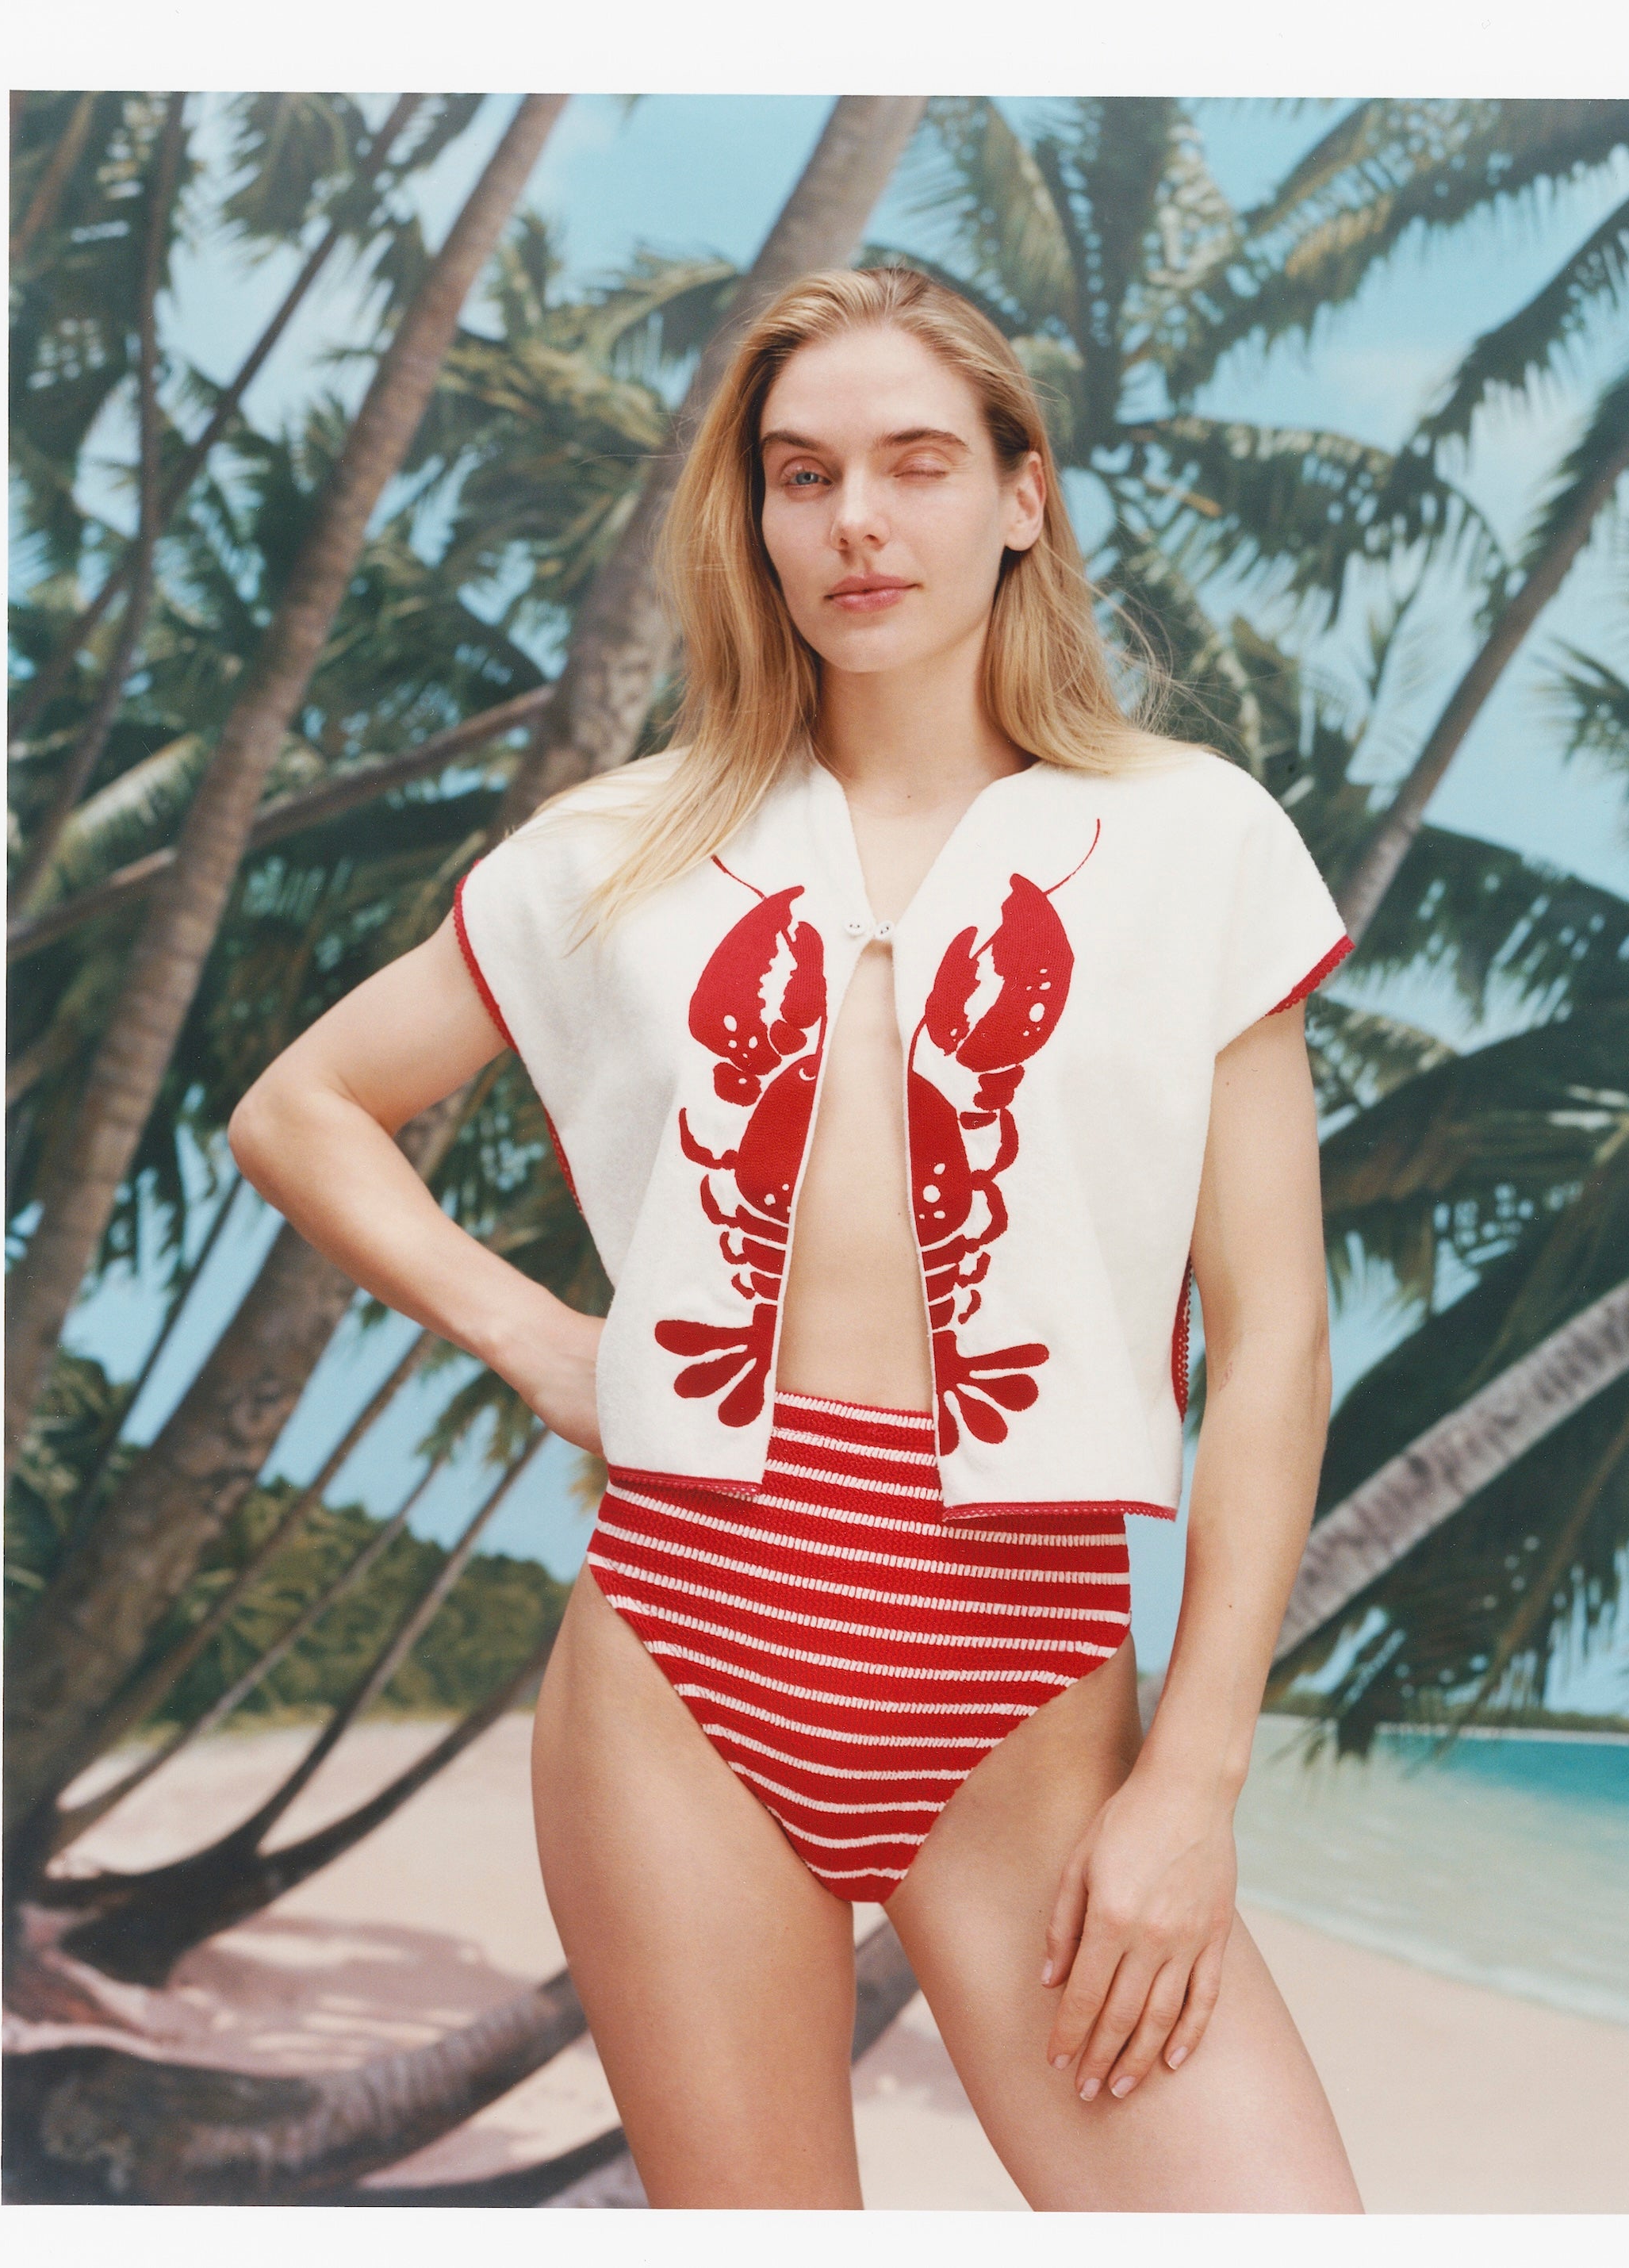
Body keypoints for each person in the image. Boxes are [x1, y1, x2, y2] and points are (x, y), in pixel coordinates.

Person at [229, 266, 1363, 2212]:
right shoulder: (628, 843)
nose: (856, 520)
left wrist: (1191, 1780)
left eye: (917, 464)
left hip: (1023, 1673)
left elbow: (1272, 1345)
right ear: (750, 514)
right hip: (680, 1650)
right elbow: (299, 1107)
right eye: (800, 471)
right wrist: (535, 1341)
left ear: (1021, 493)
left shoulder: (1194, 839)